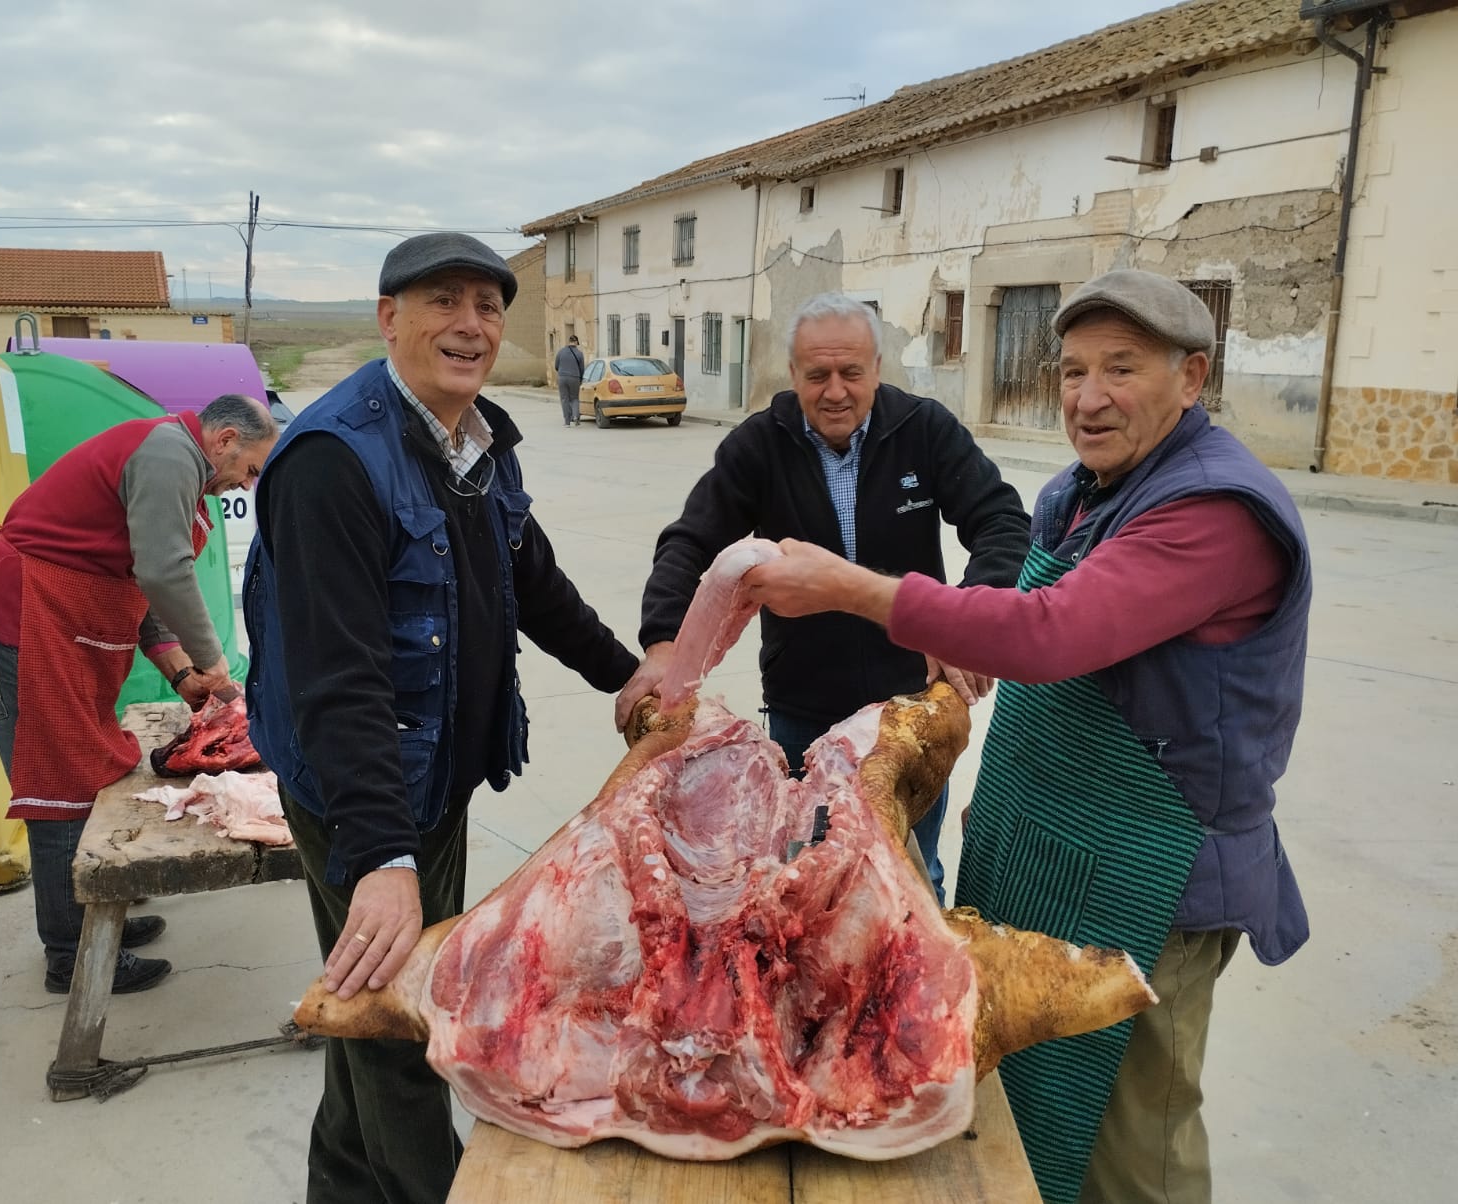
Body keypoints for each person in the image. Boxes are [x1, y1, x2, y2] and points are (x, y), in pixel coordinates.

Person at [740, 270, 1311, 1204]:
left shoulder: (1213, 513)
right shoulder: (1087, 491)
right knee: (1030, 1123)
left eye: (1121, 370)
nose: (1088, 398)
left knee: (1134, 1149)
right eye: (1074, 370)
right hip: (1050, 860)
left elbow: (1049, 635)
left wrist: (854, 588)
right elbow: (1018, 611)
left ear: (1192, 377)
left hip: (1150, 881)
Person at [243, 233, 640, 1204]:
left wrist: (626, 679)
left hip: (434, 779)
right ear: (388, 318)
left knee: (377, 1006)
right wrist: (381, 855)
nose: (469, 325)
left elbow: (532, 582)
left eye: (487, 307)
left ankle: (339, 1189)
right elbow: (336, 676)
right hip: (359, 787)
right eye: (441, 303)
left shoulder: (476, 443)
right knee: (408, 1025)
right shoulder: (333, 461)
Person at [615, 291, 1030, 902]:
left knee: (913, 881)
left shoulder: (924, 430)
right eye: (818, 375)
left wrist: (963, 622)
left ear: (876, 370)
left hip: (908, 711)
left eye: (851, 373)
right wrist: (662, 645)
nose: (835, 391)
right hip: (801, 712)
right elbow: (689, 542)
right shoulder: (760, 444)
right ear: (795, 375)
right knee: (800, 886)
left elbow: (1002, 523)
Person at [0, 393, 278, 996]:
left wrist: (179, 673)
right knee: (59, 785)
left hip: (45, 629)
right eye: (250, 470)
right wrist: (214, 664)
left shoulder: (175, 459)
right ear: (225, 440)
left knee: (80, 773)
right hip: (10, 625)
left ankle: (92, 918)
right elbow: (162, 571)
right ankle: (71, 953)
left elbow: (133, 580)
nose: (245, 486)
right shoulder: (171, 455)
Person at [554, 332, 585, 426]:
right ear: (576, 342)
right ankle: (576, 417)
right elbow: (582, 369)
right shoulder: (579, 353)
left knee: (564, 399)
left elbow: (556, 366)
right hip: (575, 378)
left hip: (562, 377)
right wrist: (580, 379)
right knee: (575, 398)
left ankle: (567, 422)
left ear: (569, 342)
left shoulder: (560, 352)